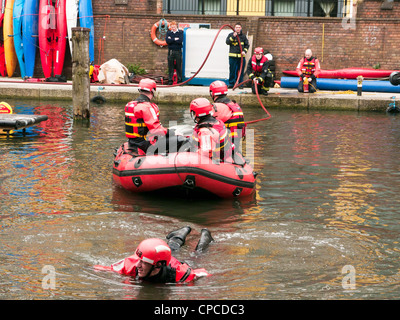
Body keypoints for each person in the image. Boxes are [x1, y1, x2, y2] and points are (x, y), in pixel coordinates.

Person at [93, 227, 213, 283]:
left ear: (157, 266)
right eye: (139, 260)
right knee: (171, 249)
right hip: (161, 257)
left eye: (144, 262)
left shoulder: (179, 273)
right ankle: (180, 233)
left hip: (173, 263)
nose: (138, 265)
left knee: (197, 256)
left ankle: (206, 237)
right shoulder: (130, 264)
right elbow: (104, 268)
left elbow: (202, 273)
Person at [124, 78, 168, 154]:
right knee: (178, 139)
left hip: (132, 142)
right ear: (152, 91)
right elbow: (156, 129)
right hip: (144, 144)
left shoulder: (130, 104)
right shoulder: (147, 107)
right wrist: (171, 132)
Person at [209, 80, 246, 162]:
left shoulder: (217, 107)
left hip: (226, 147)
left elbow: (207, 125)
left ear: (212, 93)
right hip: (235, 145)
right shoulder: (235, 105)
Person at [189, 97, 233, 163]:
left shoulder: (205, 131)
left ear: (196, 114)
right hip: (224, 158)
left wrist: (191, 151)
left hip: (216, 162)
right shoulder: (218, 122)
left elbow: (205, 154)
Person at [226, 23, 249, 89]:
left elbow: (247, 45)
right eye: (236, 27)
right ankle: (231, 84)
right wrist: (233, 36)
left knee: (241, 71)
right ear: (234, 28)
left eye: (239, 27)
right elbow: (227, 42)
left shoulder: (243, 36)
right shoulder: (231, 35)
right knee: (232, 70)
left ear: (241, 28)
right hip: (232, 57)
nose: (237, 28)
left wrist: (244, 51)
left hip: (241, 58)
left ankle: (240, 84)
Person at [166, 21, 183, 85]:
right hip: (171, 51)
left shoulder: (180, 32)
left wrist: (171, 39)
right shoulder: (169, 33)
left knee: (179, 65)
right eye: (172, 27)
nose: (173, 28)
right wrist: (175, 39)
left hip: (178, 51)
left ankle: (179, 80)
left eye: (174, 26)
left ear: (176, 26)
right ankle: (170, 80)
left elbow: (180, 41)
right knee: (171, 66)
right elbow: (168, 41)